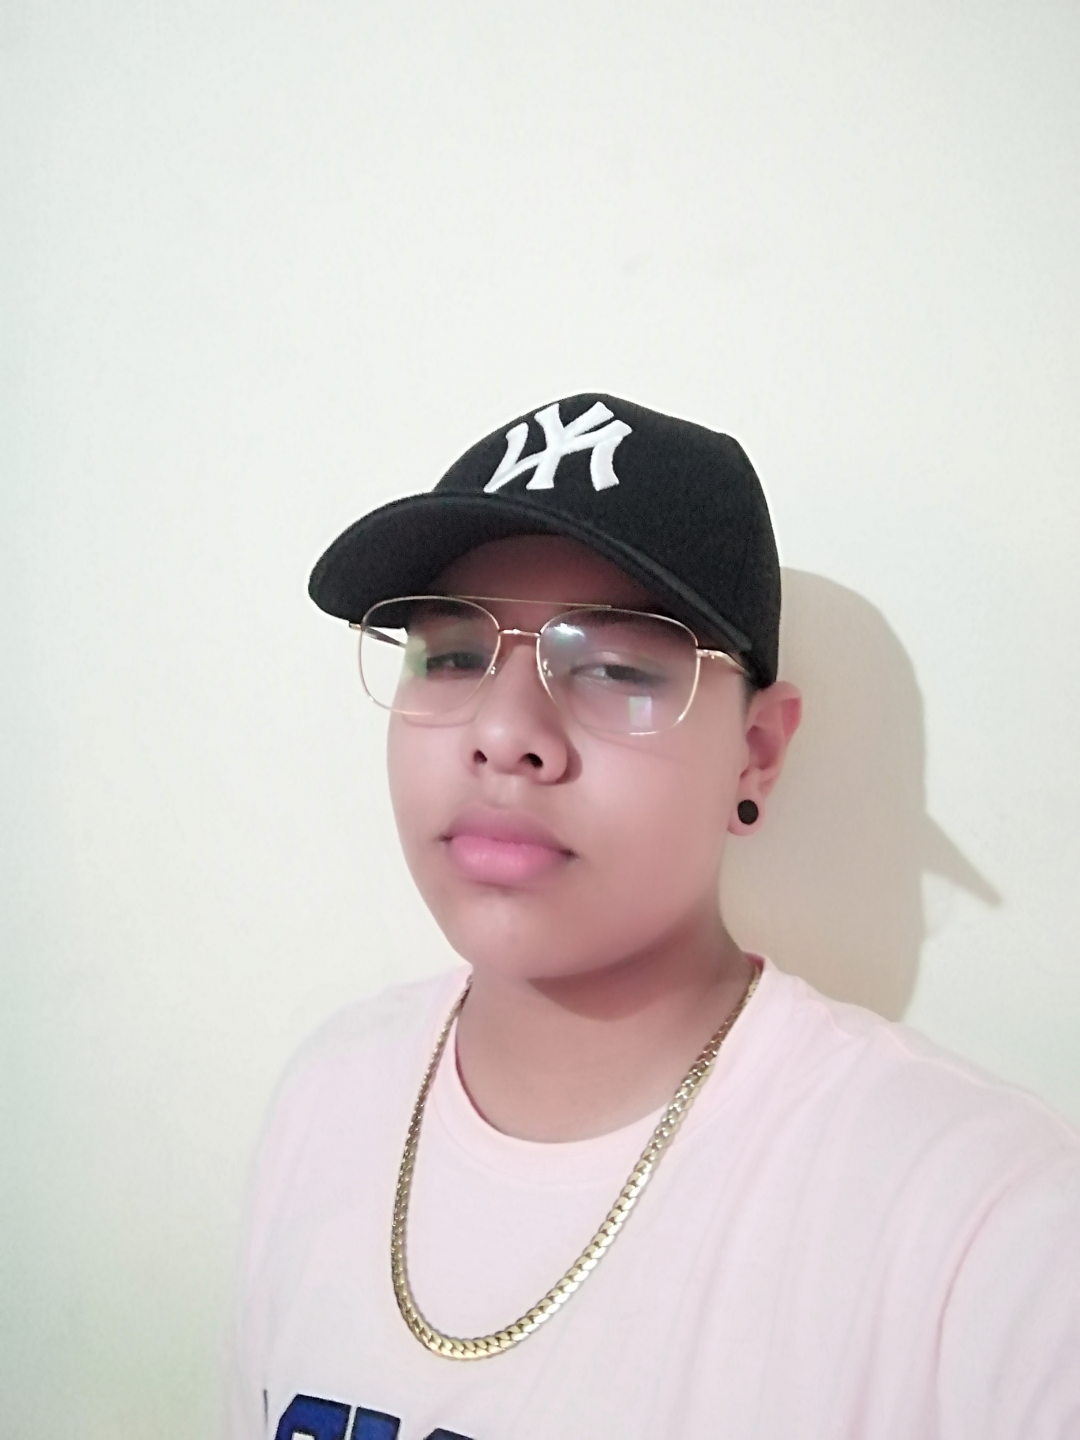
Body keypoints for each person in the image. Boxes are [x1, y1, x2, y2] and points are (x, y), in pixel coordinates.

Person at [226, 394, 1080, 1440]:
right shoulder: (329, 1099)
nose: (504, 730)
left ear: (756, 754)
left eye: (615, 668)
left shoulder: (981, 1225)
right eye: (451, 655)